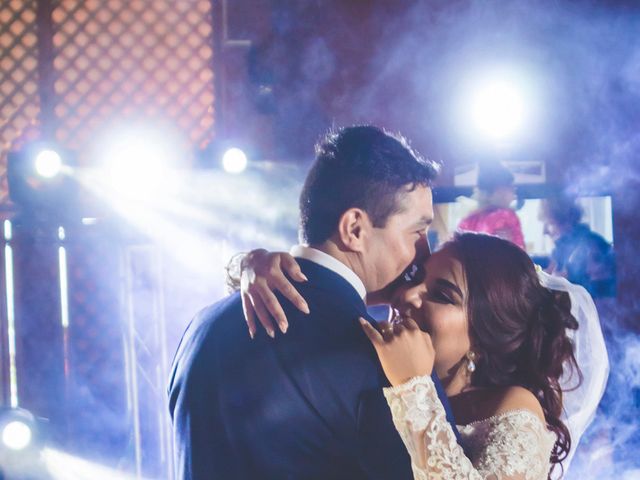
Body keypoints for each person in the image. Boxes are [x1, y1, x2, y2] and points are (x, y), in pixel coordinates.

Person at [168, 125, 459, 479]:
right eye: (416, 232)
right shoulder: (387, 357)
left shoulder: (202, 327)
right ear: (354, 229)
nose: (423, 252)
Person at [236, 232, 609, 479]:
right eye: (415, 278)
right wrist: (251, 265)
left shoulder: (513, 404)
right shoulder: (377, 362)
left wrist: (414, 388)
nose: (408, 295)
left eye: (443, 295)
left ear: (484, 332)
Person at [539, 194, 615, 298]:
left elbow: (600, 289)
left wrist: (564, 280)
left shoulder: (591, 245)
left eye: (550, 223)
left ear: (565, 221)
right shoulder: (560, 248)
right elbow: (551, 273)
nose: (545, 232)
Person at [458, 161, 525, 249]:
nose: (514, 193)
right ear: (500, 190)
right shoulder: (507, 216)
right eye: (511, 187)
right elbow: (520, 253)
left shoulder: (468, 220)